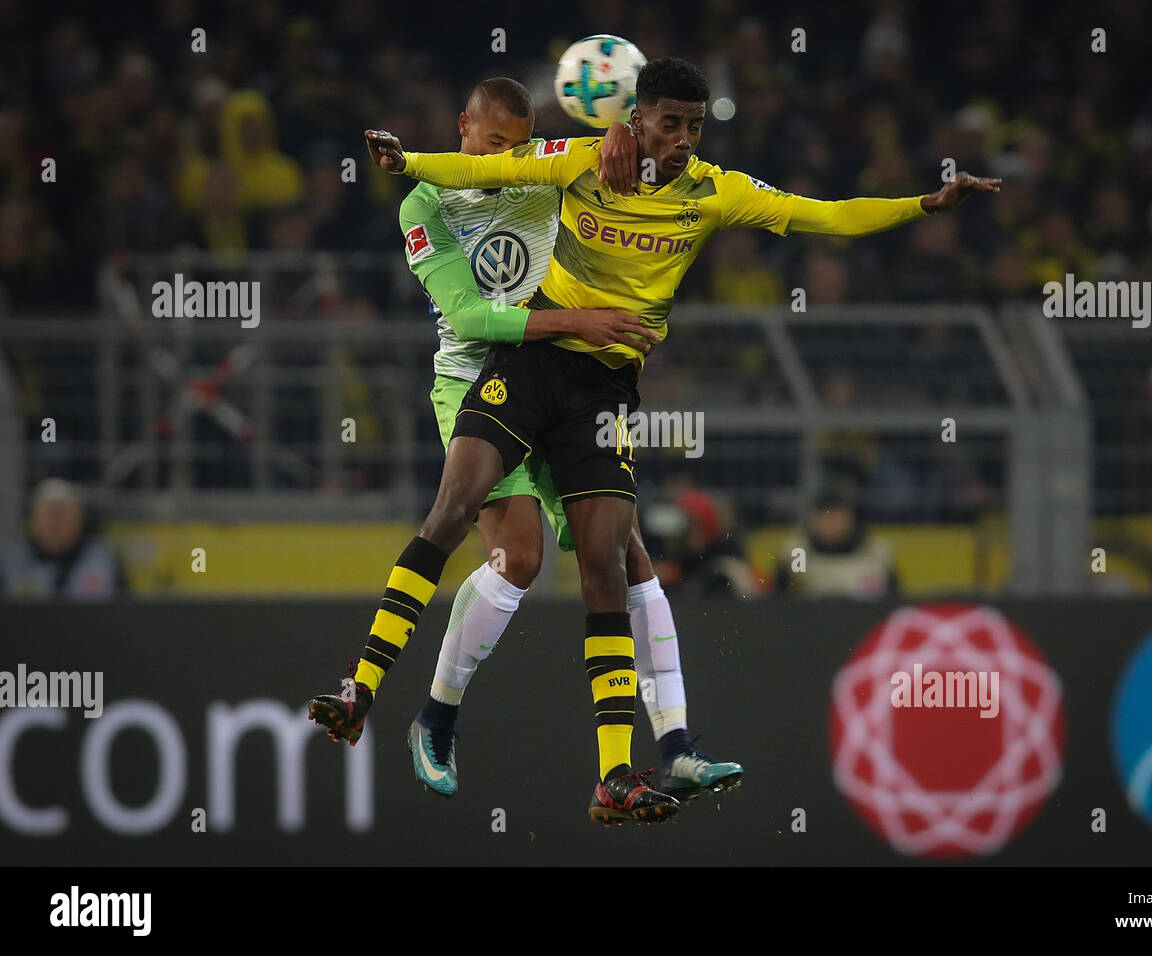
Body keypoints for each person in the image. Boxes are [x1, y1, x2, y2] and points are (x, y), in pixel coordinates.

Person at [339, 56, 997, 824]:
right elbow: (494, 165)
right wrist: (407, 161)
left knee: (617, 561)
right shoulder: (577, 161)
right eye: (669, 123)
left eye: (694, 125)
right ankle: (413, 705)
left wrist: (923, 204)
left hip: (604, 391)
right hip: (512, 362)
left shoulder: (714, 191)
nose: (683, 139)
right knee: (503, 545)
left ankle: (652, 754)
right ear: (638, 117)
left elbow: (828, 214)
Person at [308, 78, 742, 815]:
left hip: (565, 382)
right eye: (493, 145)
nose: (505, 160)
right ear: (463, 130)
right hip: (475, 380)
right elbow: (472, 317)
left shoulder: (544, 168)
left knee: (624, 555)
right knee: (518, 558)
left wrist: (616, 134)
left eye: (519, 147)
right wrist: (579, 321)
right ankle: (434, 717)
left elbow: (618, 152)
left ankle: (674, 748)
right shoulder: (427, 202)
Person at [2, 478, 127, 600]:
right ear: (35, 521)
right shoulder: (15, 562)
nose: (56, 522)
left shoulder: (103, 558)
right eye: (49, 514)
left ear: (79, 520)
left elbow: (125, 608)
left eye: (63, 513)